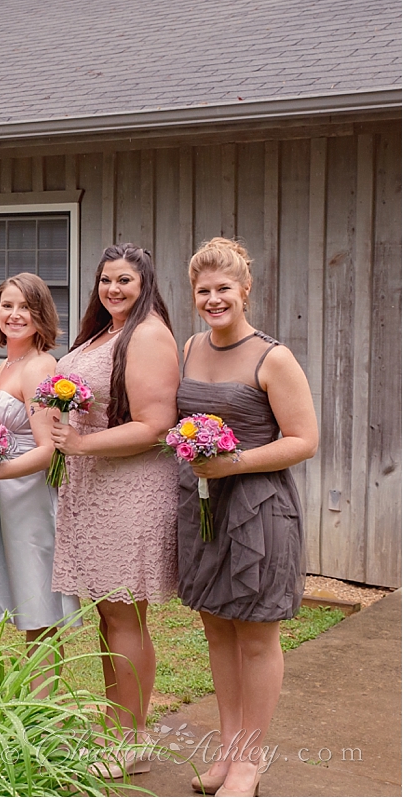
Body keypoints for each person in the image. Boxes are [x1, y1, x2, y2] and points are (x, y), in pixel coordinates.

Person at [175, 238, 317, 798]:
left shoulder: (272, 357)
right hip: (204, 506)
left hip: (258, 508)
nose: (214, 300)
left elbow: (305, 440)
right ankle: (228, 751)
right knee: (216, 630)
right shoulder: (189, 347)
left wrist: (231, 462)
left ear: (245, 290)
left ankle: (249, 763)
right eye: (204, 291)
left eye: (223, 289)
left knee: (256, 636)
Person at [48, 243, 180, 777]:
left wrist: (79, 444)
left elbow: (153, 424)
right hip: (93, 487)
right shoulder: (102, 332)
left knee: (124, 613)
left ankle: (132, 738)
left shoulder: (146, 334)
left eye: (124, 280)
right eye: (106, 280)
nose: (113, 290)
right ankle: (115, 727)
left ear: (144, 282)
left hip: (129, 487)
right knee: (108, 614)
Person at [0, 273, 80, 693]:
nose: (14, 315)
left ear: (41, 314)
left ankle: (39, 714)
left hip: (29, 496)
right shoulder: (5, 363)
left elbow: (49, 448)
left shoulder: (40, 365)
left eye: (25, 307)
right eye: (7, 306)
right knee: (21, 602)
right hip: (3, 495)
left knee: (39, 610)